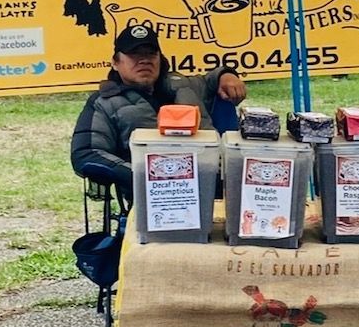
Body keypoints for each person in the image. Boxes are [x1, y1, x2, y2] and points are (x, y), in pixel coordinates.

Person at [71, 20, 247, 200]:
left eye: (150, 54)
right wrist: (141, 176)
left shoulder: (186, 85)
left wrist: (226, 75)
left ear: (160, 58)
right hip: (153, 197)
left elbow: (212, 78)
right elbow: (86, 153)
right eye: (134, 54)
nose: (144, 60)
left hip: (216, 187)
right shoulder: (103, 102)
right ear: (115, 62)